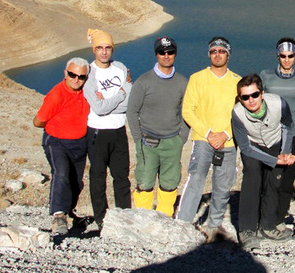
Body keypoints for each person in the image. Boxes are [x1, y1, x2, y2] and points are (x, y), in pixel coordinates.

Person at [176, 36, 240, 242]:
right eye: (214, 51)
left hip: (228, 141)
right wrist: (209, 134)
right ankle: (183, 223)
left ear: (228, 54)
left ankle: (214, 224)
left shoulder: (237, 81)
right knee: (196, 178)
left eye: (222, 51)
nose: (218, 54)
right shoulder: (197, 78)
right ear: (209, 54)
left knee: (223, 184)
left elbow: (241, 113)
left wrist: (226, 134)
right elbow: (188, 110)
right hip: (203, 139)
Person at [232, 74, 295, 249]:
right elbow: (245, 148)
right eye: (245, 97)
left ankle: (267, 226)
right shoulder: (237, 114)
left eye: (254, 95)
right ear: (240, 98)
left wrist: (284, 152)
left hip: (274, 142)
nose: (251, 100)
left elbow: (288, 126)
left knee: (274, 182)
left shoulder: (278, 103)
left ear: (262, 93)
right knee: (252, 177)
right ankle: (247, 229)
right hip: (253, 146)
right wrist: (274, 160)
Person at [127, 36, 188, 216]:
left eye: (170, 52)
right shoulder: (144, 82)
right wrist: (138, 140)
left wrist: (181, 139)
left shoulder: (183, 83)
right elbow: (132, 112)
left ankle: (164, 219)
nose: (166, 56)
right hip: (148, 142)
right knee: (144, 182)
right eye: (162, 52)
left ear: (175, 54)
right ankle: (143, 219)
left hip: (172, 142)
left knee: (169, 184)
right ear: (156, 55)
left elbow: (187, 112)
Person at [33, 57, 91, 236]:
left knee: (76, 181)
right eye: (72, 74)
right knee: (62, 174)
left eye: (81, 76)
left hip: (80, 143)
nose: (76, 79)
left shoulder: (86, 91)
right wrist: (57, 127)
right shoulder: (57, 94)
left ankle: (70, 212)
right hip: (57, 141)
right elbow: (38, 121)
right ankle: (58, 216)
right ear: (65, 73)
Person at [82, 28, 132, 230]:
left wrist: (110, 101)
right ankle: (101, 218)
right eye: (100, 48)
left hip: (119, 130)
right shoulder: (89, 72)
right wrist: (119, 95)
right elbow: (99, 108)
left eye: (108, 48)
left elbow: (129, 102)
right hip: (96, 132)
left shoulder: (120, 67)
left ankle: (125, 216)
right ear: (94, 49)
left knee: (121, 177)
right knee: (98, 176)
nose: (104, 52)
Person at [259, 37, 295, 227]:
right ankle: (264, 216)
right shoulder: (265, 75)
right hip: (268, 135)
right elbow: (256, 102)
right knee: (268, 176)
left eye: (290, 56)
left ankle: (279, 218)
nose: (286, 60)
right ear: (277, 56)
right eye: (283, 56)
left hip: (291, 135)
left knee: (287, 178)